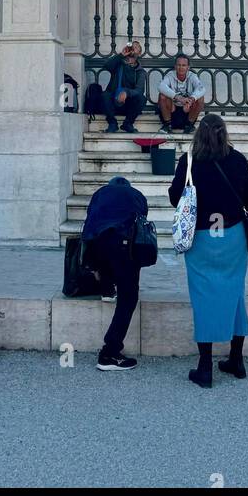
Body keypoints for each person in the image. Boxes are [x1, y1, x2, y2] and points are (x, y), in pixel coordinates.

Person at [168, 113, 248, 389]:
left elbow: (175, 197)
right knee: (234, 293)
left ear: (200, 133)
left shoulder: (189, 162)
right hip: (233, 236)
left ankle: (205, 367)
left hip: (202, 237)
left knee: (204, 297)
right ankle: (237, 360)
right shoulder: (237, 159)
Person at [81, 175, 148, 371]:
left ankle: (107, 289)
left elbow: (90, 221)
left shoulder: (99, 194)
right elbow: (141, 218)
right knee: (129, 296)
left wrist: (92, 264)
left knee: (105, 256)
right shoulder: (136, 195)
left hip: (97, 243)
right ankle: (110, 352)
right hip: (123, 242)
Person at [89, 42, 147, 134]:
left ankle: (128, 124)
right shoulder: (118, 64)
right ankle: (112, 123)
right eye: (132, 46)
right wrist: (121, 55)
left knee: (142, 98)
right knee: (105, 95)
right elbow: (106, 66)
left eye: (136, 47)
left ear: (139, 53)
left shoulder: (140, 71)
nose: (133, 48)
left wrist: (126, 93)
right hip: (113, 103)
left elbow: (139, 90)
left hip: (128, 106)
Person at [158, 54, 205, 134]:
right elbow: (160, 86)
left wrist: (192, 99)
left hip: (187, 112)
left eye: (184, 65)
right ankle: (167, 126)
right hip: (172, 111)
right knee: (162, 95)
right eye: (179, 65)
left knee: (200, 98)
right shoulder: (170, 75)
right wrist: (178, 97)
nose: (181, 67)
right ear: (175, 66)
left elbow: (202, 88)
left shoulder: (192, 76)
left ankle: (189, 126)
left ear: (188, 67)